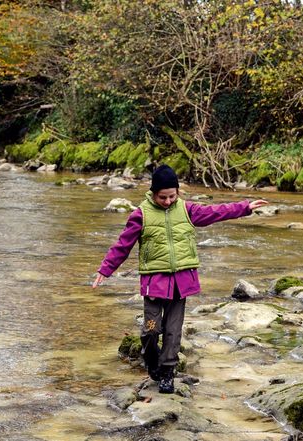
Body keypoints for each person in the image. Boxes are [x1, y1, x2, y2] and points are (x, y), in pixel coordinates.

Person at [92, 164, 269, 393]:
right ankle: (152, 361)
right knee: (151, 330)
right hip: (154, 285)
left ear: (178, 192)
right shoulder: (140, 215)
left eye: (172, 196)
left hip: (181, 283)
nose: (167, 201)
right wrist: (105, 270)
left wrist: (245, 207)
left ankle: (167, 373)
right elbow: (122, 246)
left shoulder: (187, 210)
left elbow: (216, 212)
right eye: (162, 197)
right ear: (153, 193)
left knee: (174, 332)